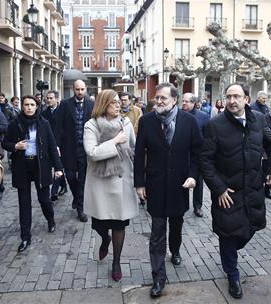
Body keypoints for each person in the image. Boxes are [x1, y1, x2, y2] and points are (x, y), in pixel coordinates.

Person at [200, 82, 271, 299]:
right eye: (228, 97)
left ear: (247, 99)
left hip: (253, 189)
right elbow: (205, 161)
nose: (232, 101)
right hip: (228, 192)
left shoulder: (259, 119)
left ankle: (231, 256)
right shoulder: (215, 125)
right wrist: (219, 189)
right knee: (228, 234)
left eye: (236, 96)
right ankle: (232, 275)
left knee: (247, 231)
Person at [134, 83, 202, 298]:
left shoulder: (189, 121)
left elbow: (198, 153)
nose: (159, 101)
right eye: (157, 98)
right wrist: (139, 183)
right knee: (157, 233)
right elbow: (138, 154)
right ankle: (158, 278)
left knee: (177, 223)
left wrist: (192, 175)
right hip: (155, 184)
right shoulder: (146, 121)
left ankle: (176, 249)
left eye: (163, 98)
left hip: (180, 185)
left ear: (174, 99)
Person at [83, 89, 139, 281]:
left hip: (121, 181)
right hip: (100, 183)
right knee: (98, 224)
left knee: (119, 225)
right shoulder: (91, 125)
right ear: (103, 104)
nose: (118, 104)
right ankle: (104, 239)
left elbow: (133, 147)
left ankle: (116, 262)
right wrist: (115, 141)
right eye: (113, 102)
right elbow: (92, 152)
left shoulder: (126, 123)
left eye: (118, 102)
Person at [2, 95, 63, 252]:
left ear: (36, 106)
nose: (29, 107)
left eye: (32, 104)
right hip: (22, 166)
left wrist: (58, 168)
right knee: (24, 203)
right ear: (22, 106)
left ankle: (50, 220)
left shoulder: (44, 123)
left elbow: (51, 146)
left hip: (40, 166)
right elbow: (5, 143)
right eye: (26, 105)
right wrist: (15, 145)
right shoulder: (15, 124)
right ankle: (25, 237)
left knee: (44, 199)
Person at [55, 79, 94, 222]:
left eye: (82, 89)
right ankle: (77, 197)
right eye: (77, 89)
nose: (80, 92)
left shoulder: (91, 104)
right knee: (70, 176)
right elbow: (58, 126)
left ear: (86, 89)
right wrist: (57, 146)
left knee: (83, 179)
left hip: (85, 148)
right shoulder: (65, 104)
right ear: (73, 89)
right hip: (69, 148)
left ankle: (80, 208)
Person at [181, 92, 209, 218]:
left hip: (197, 155)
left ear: (194, 103)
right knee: (181, 180)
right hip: (181, 154)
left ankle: (197, 206)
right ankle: (181, 204)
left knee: (198, 182)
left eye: (187, 101)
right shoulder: (178, 115)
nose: (184, 103)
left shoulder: (203, 117)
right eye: (183, 101)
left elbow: (208, 136)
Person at [42, 90, 68, 202]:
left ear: (57, 99)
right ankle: (64, 184)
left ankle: (54, 191)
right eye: (47, 98)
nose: (48, 100)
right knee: (55, 165)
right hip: (48, 143)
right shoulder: (43, 113)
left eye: (51, 98)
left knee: (59, 165)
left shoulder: (63, 111)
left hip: (61, 143)